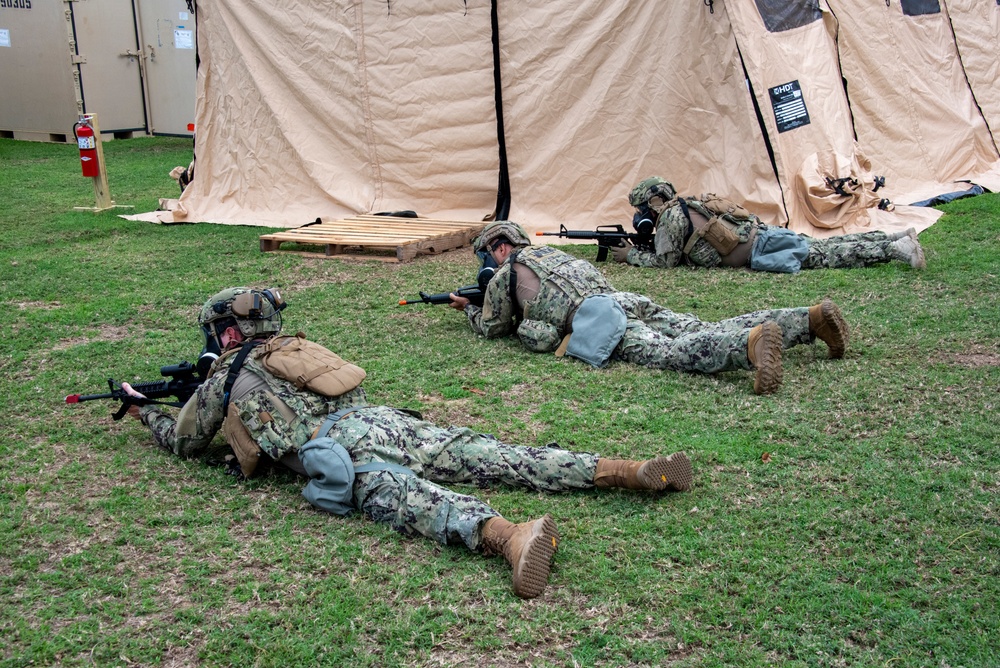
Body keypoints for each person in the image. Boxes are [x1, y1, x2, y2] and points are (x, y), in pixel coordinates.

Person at [120, 287, 693, 600]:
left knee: (410, 500)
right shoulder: (296, 346)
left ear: (226, 333)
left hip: (337, 450)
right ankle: (625, 469)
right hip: (382, 420)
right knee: (493, 454)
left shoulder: (227, 371)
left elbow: (186, 440)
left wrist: (147, 410)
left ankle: (511, 537)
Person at [448, 222, 851, 396]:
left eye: (487, 253)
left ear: (499, 247)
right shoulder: (551, 252)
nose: (488, 261)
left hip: (599, 319)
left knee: (672, 353)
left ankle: (749, 347)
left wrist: (468, 308)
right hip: (623, 299)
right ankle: (809, 319)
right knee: (700, 325)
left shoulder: (505, 274)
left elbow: (494, 328)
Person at [616, 177, 926, 271]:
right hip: (763, 234)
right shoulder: (687, 204)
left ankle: (895, 249)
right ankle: (893, 237)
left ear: (653, 204)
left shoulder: (671, 218)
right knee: (822, 245)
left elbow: (665, 262)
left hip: (759, 251)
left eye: (641, 208)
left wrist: (629, 255)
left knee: (821, 256)